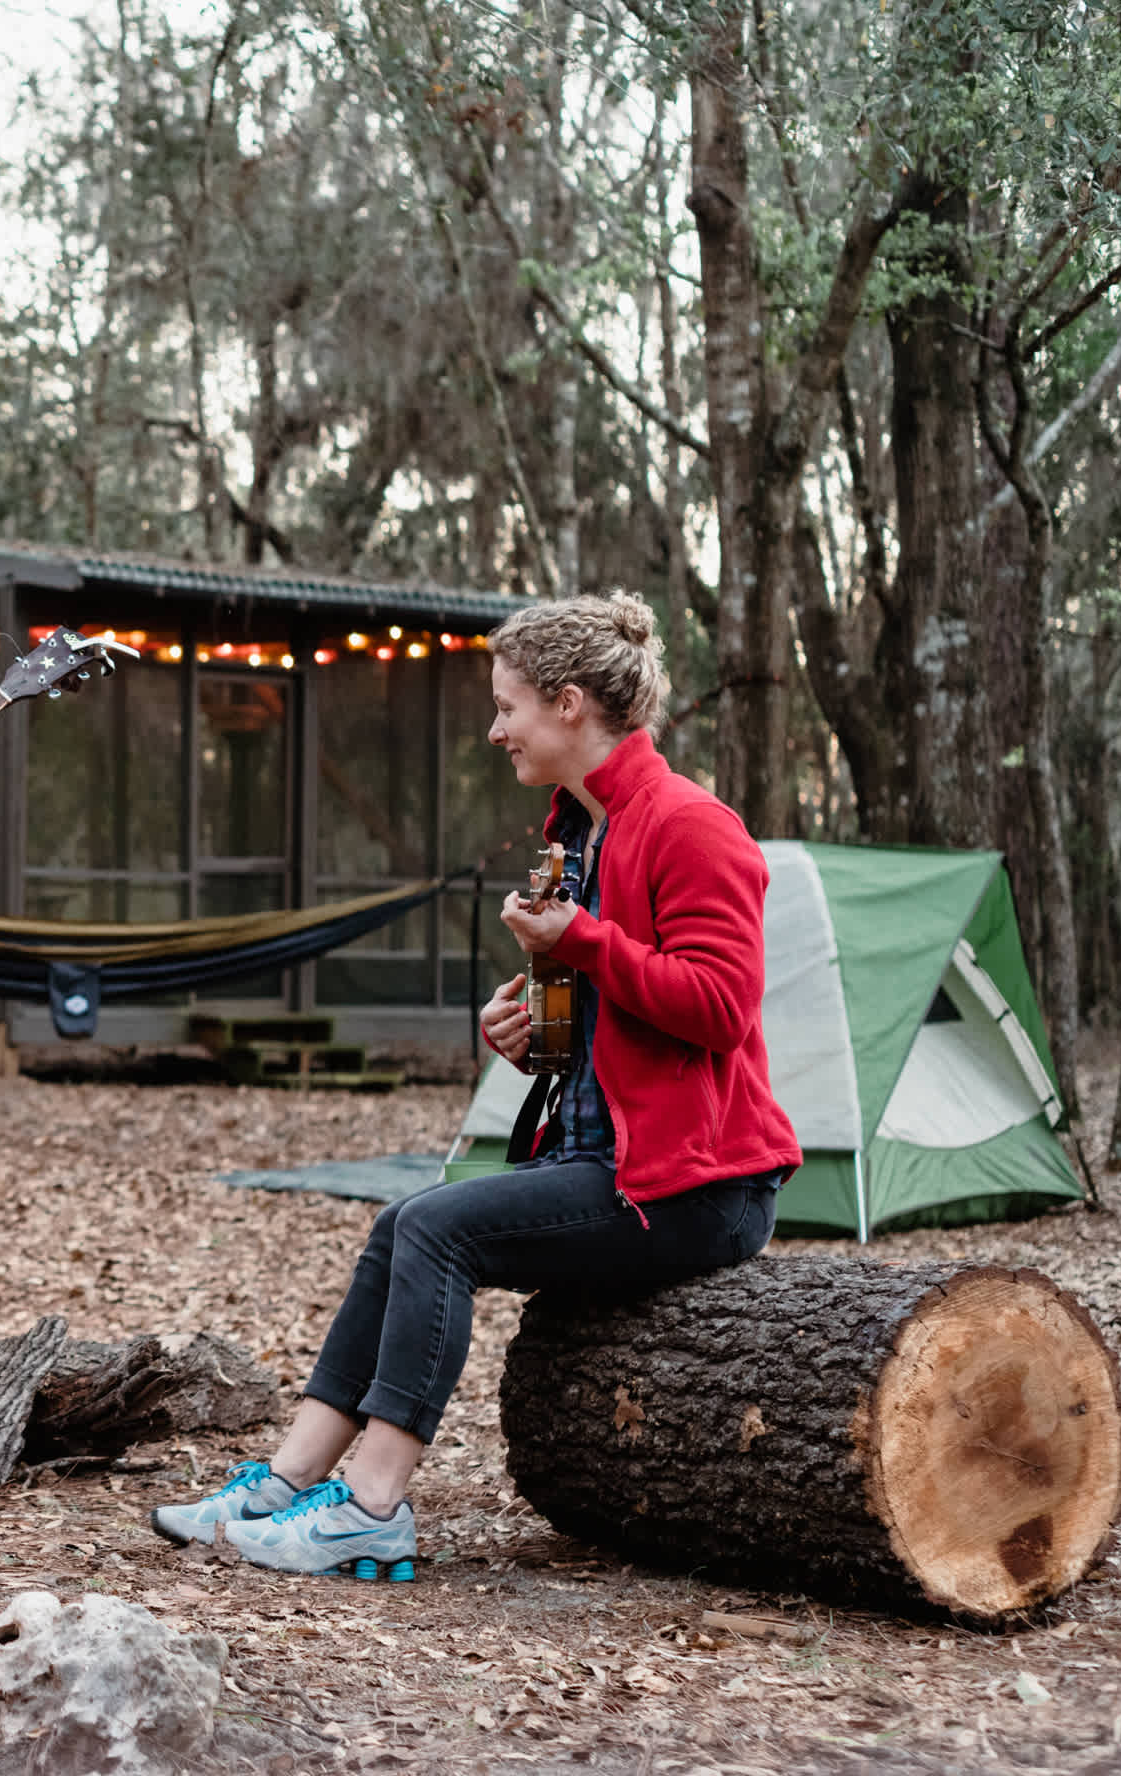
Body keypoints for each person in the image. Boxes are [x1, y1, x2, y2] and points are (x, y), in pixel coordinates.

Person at [151, 591, 799, 1577]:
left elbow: (717, 1007)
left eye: (508, 709)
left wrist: (577, 942)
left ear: (569, 704)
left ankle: (371, 1503)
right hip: (610, 1161)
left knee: (436, 1227)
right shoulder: (574, 832)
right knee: (399, 1224)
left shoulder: (689, 826)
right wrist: (536, 1029)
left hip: (699, 1187)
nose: (495, 731)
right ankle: (285, 1482)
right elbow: (621, 1018)